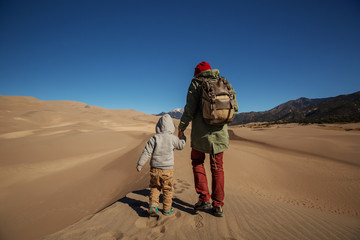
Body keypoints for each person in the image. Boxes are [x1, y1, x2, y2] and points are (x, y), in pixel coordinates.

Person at [178, 61, 238, 217]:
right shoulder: (224, 82)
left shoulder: (196, 83)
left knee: (197, 162)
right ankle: (218, 205)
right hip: (220, 135)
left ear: (197, 73)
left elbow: (189, 110)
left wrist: (181, 128)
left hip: (200, 135)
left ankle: (204, 199)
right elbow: (235, 108)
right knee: (217, 169)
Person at [137, 114, 186, 217]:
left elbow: (146, 152)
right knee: (168, 189)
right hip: (167, 170)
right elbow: (181, 145)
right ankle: (167, 209)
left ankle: (153, 206)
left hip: (154, 169)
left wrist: (140, 164)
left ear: (158, 126)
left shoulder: (154, 138)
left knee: (155, 187)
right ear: (171, 127)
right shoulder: (172, 138)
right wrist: (183, 137)